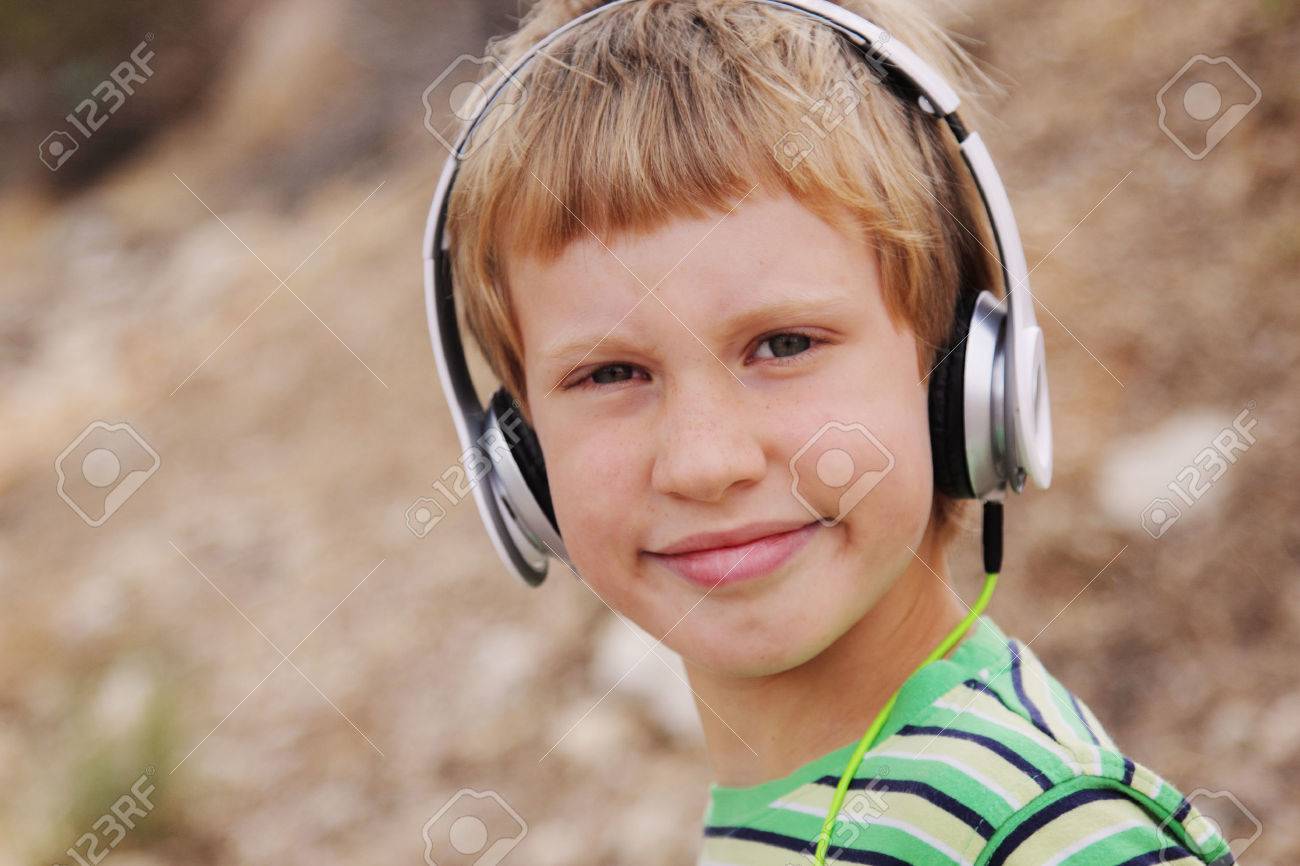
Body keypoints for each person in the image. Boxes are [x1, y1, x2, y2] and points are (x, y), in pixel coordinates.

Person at [430, 0, 1237, 862]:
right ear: (521, 455)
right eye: (610, 374)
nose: (707, 462)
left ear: (962, 381)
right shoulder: (802, 798)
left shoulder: (1045, 832)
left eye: (784, 345)